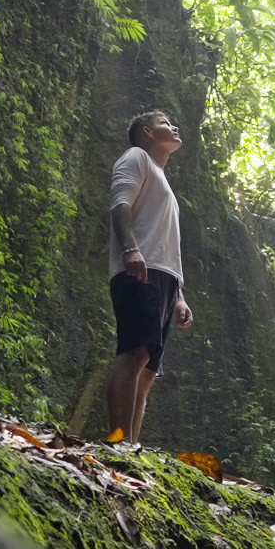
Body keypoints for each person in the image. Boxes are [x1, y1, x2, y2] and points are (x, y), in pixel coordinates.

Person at [103, 110, 193, 444]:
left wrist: (180, 295)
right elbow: (120, 205)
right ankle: (117, 442)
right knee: (134, 353)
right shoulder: (136, 157)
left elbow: (168, 240)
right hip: (139, 267)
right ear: (147, 132)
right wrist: (130, 249)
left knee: (149, 372)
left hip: (165, 276)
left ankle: (131, 445)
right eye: (166, 123)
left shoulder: (162, 178)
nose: (175, 126)